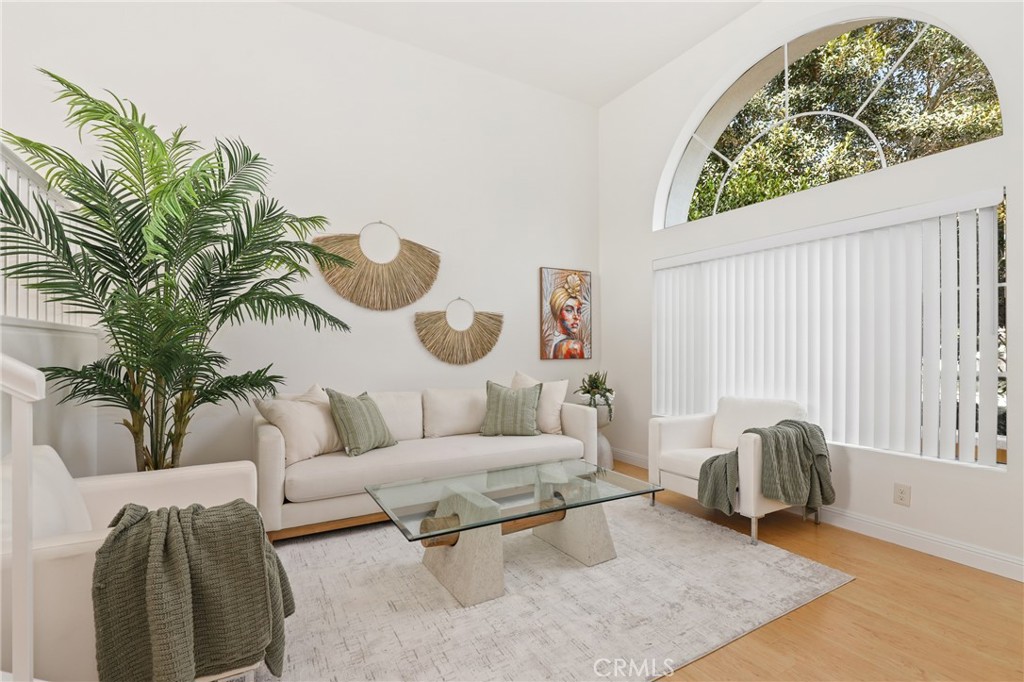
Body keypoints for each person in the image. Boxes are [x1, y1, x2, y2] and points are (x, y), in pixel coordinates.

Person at [548, 273, 586, 358]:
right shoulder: (574, 346)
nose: (576, 316)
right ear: (558, 313)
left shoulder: (552, 343)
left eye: (579, 311)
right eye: (569, 310)